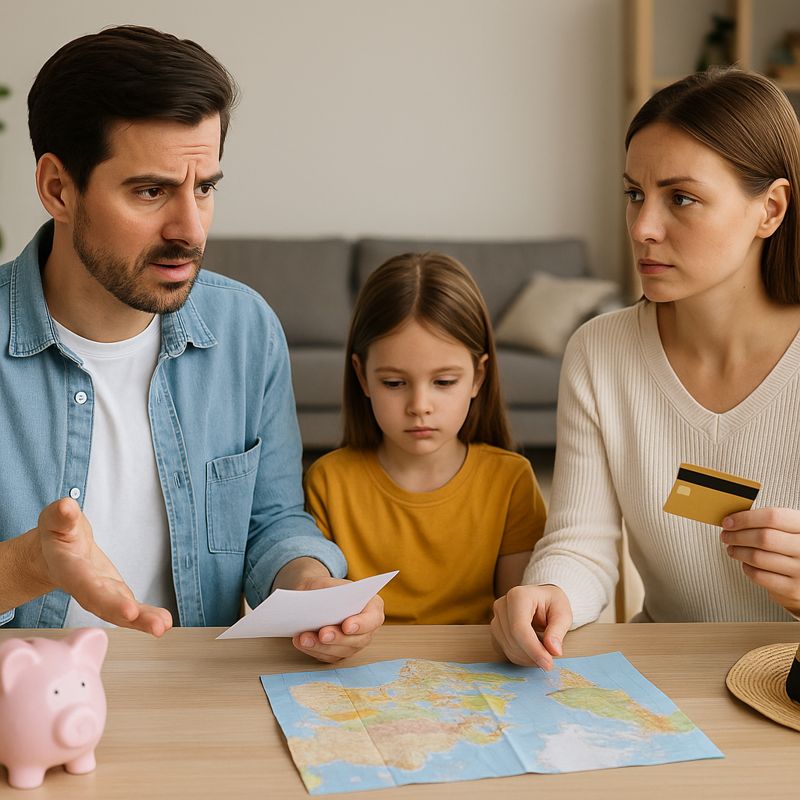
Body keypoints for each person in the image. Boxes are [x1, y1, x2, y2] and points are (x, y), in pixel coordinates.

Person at [0, 25, 382, 662]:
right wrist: (30, 564)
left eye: (204, 188)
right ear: (58, 189)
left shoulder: (245, 331)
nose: (189, 230)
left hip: (193, 689)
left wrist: (310, 584)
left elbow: (271, 521)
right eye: (150, 191)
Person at [491, 67, 800, 670]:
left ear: (770, 209)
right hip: (665, 674)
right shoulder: (599, 353)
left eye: (681, 198)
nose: (642, 228)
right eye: (635, 193)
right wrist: (549, 591)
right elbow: (580, 543)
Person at [304, 252, 547, 624]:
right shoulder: (328, 481)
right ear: (362, 376)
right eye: (394, 383)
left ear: (478, 377)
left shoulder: (510, 480)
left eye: (444, 382)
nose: (419, 406)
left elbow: (521, 616)